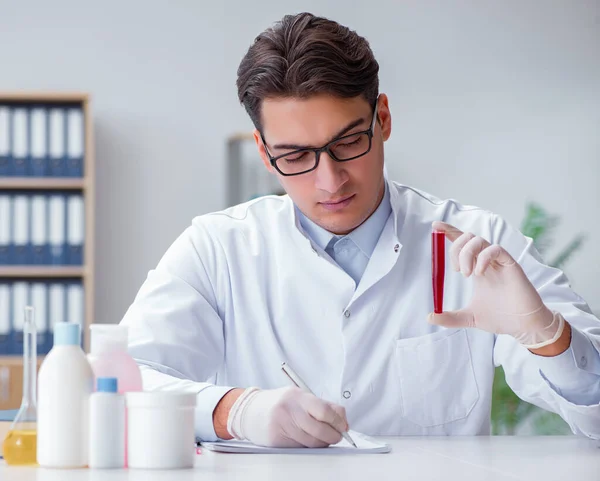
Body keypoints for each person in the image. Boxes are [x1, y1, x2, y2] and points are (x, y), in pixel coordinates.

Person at [121, 12, 600, 447]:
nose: (329, 181)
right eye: (295, 157)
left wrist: (548, 336)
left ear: (383, 119)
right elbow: (120, 383)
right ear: (265, 154)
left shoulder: (475, 242)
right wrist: (234, 411)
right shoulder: (215, 250)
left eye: (349, 141)